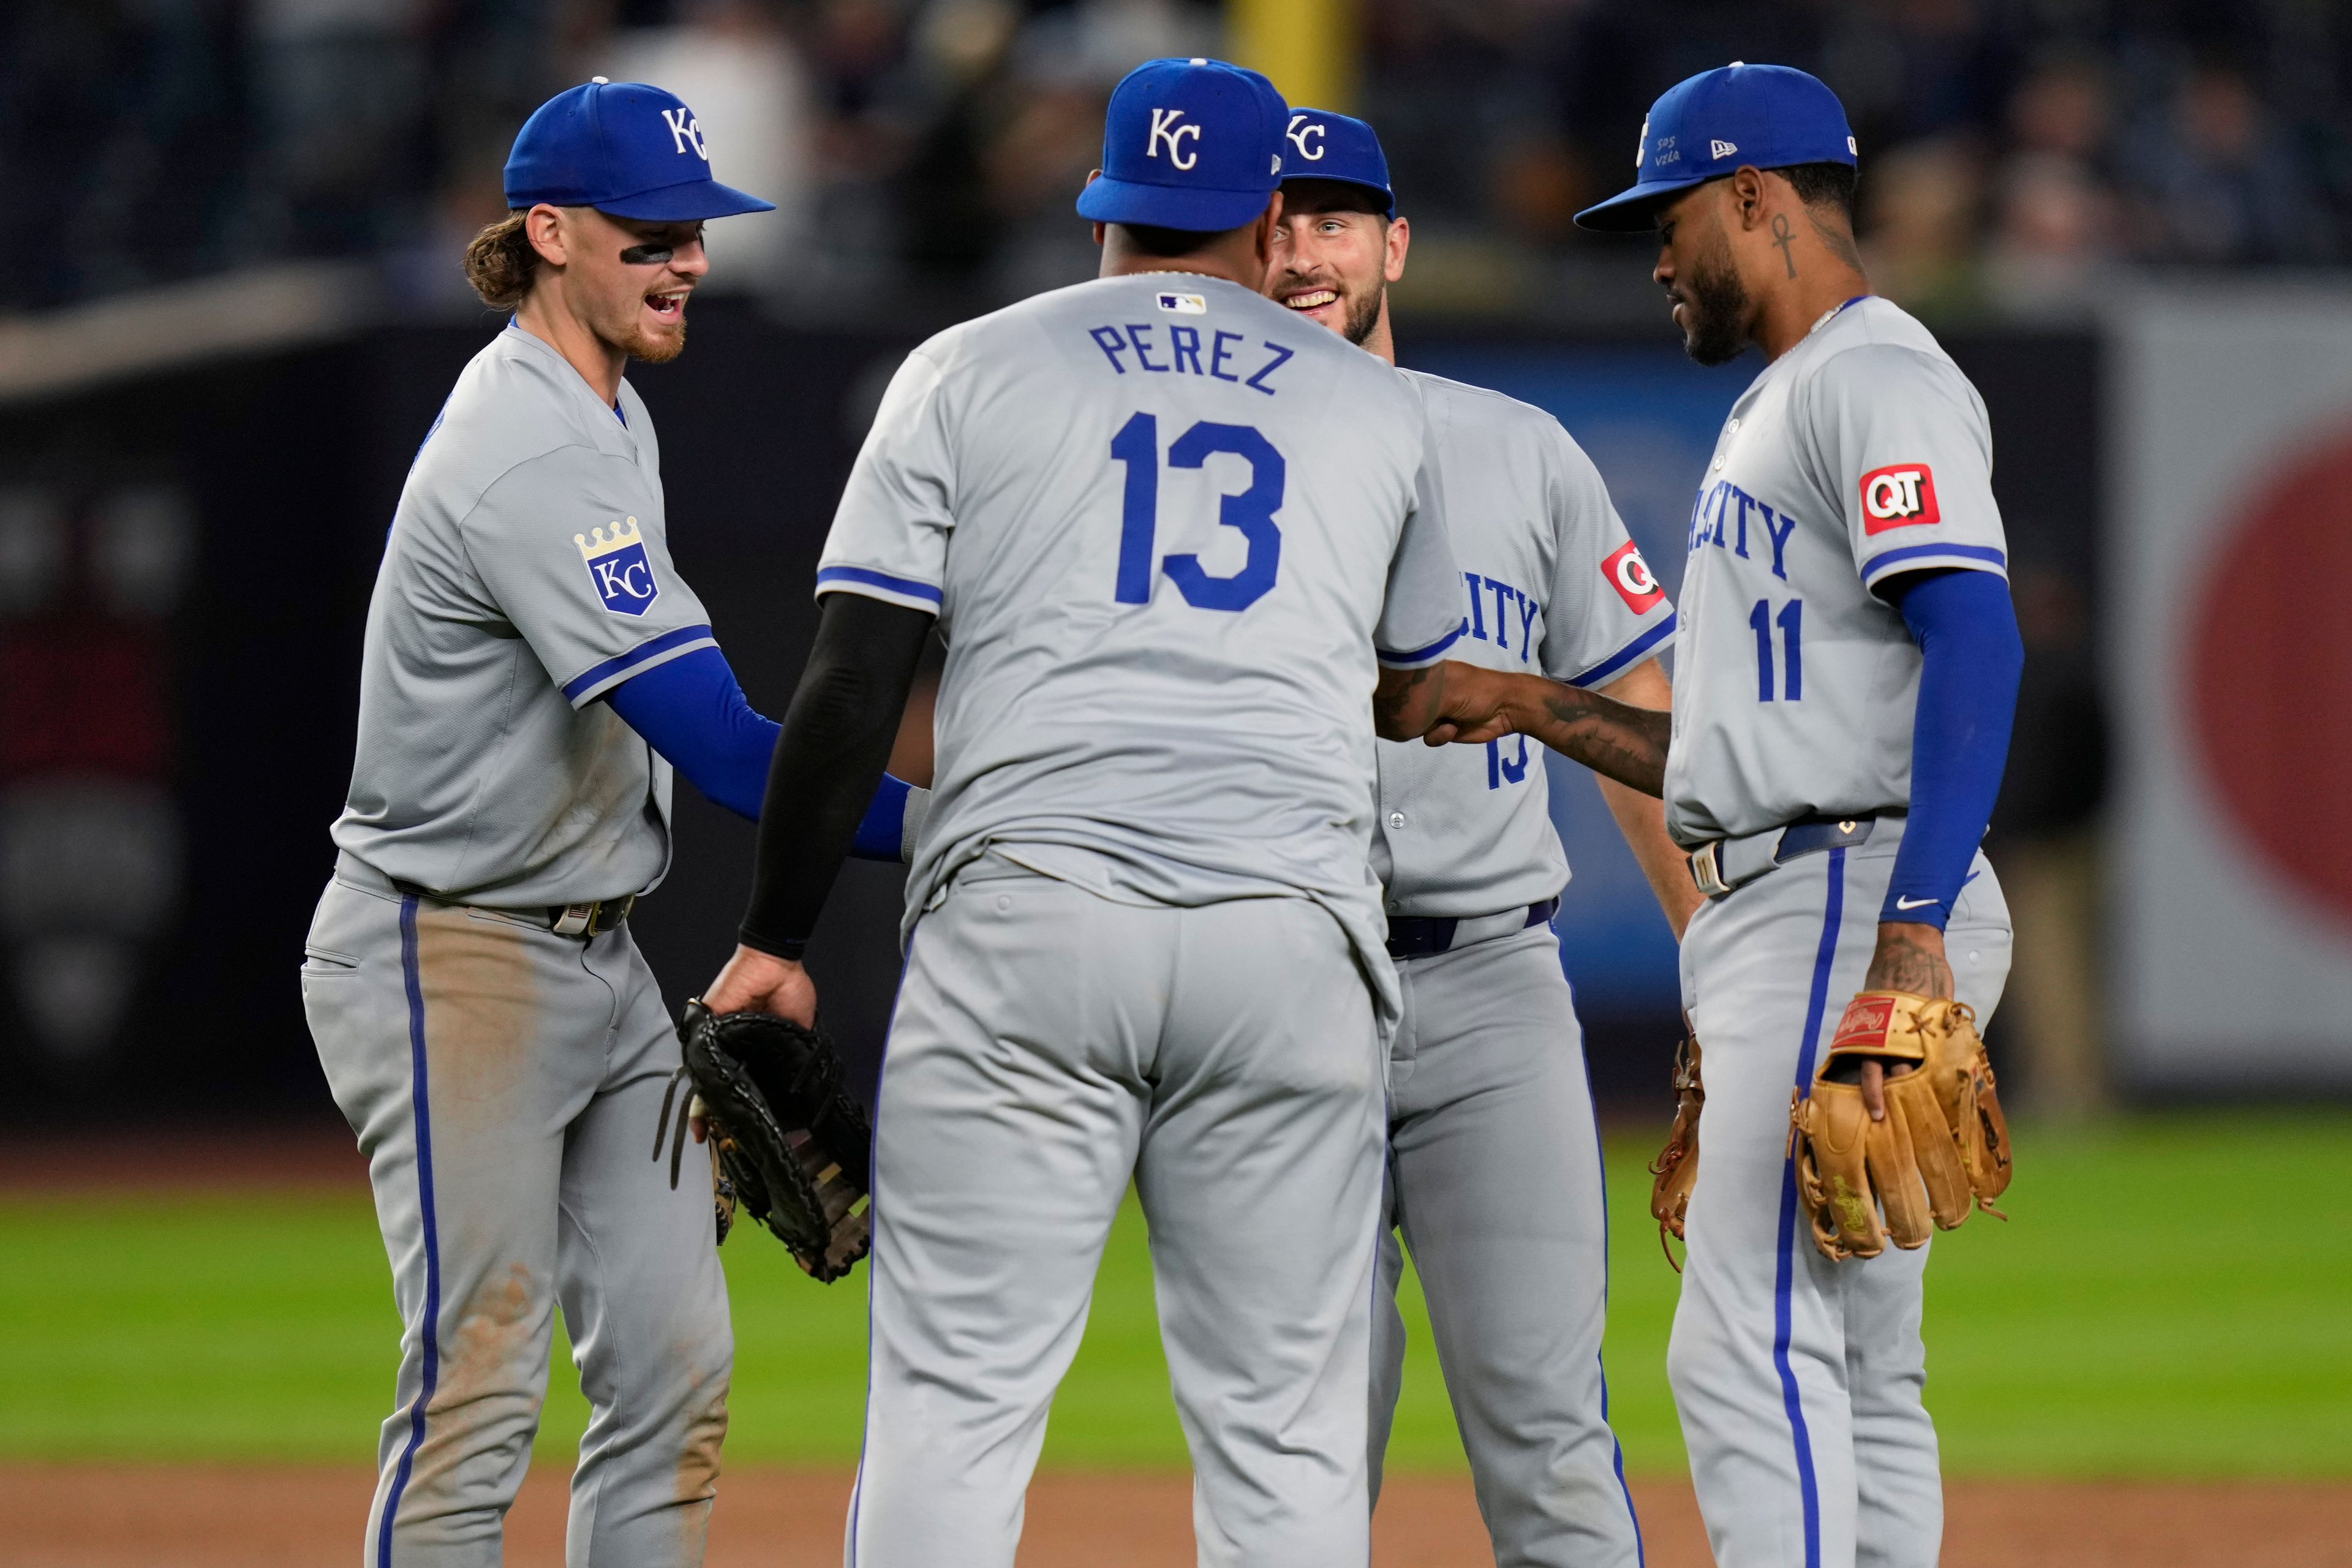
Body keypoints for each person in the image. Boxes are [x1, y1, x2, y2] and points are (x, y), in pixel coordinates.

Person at [694, 57, 1668, 1568]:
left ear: (1103, 208)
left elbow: (848, 682)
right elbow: (1407, 690)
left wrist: (773, 935)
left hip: (1033, 919)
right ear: (1264, 217)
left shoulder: (964, 365)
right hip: (1288, 939)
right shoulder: (1376, 410)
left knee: (954, 1403)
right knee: (1286, 1429)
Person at [301, 79, 913, 1568]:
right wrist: (965, 821)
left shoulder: (605, 406)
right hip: (449, 952)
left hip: (598, 955)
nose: (688, 258)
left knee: (674, 1372)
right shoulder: (529, 447)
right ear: (551, 232)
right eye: (652, 232)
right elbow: (717, 746)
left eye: (697, 230)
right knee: (477, 1391)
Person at [1572, 64, 2024, 1568]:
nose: (1655, 255)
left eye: (1671, 212)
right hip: (1806, 884)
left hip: (1854, 883)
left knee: (1739, 1339)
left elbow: (1977, 633)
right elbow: (1728, 748)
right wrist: (1528, 706)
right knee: (1854, 1356)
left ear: (1757, 197)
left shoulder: (1869, 373)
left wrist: (1906, 938)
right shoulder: (1796, 394)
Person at [1264, 108, 1696, 1566]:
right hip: (1272, 985)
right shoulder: (1197, 467)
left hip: (1491, 983)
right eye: (1276, 220)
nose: (1302, 249)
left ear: (1394, 245)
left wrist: (1720, 952)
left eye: (1334, 219)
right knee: (1301, 1439)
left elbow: (1636, 710)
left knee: (1546, 1424)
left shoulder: (1520, 449)